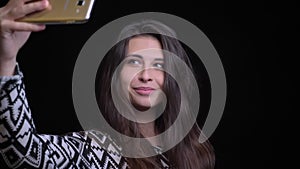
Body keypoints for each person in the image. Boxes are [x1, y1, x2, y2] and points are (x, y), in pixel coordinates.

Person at [0, 0, 215, 168]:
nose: (146, 75)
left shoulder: (192, 150)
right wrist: (6, 60)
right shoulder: (97, 149)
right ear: (114, 75)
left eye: (158, 64)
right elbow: (25, 153)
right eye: (134, 62)